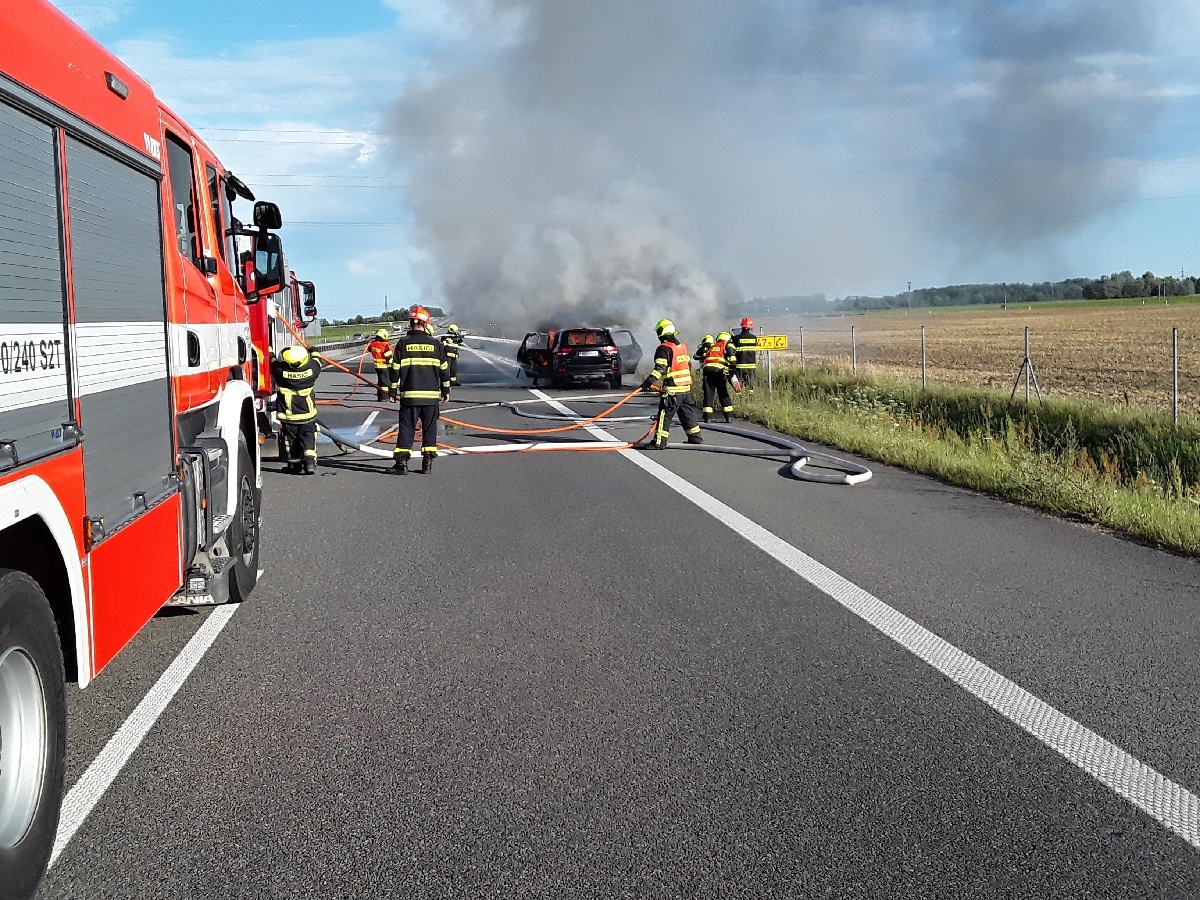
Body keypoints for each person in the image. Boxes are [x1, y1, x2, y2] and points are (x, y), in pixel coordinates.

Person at [390, 306, 450, 474]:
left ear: (410, 322)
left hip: (409, 397)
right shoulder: (435, 345)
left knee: (407, 428)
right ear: (426, 324)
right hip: (431, 398)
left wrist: (392, 392)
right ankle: (427, 463)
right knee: (430, 429)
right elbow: (444, 369)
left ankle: (402, 464)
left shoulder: (403, 343)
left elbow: (394, 369)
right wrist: (446, 391)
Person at [641, 319, 703, 449]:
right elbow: (688, 365)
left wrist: (647, 383)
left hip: (673, 390)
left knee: (664, 416)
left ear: (661, 332)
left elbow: (660, 369)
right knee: (687, 414)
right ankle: (695, 437)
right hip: (685, 389)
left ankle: (659, 442)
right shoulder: (682, 347)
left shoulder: (664, 349)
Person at [271, 344, 322, 475]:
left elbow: (272, 362)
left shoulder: (280, 372)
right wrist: (313, 350)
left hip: (289, 416)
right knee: (308, 437)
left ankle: (294, 466)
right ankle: (310, 463)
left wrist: (270, 351)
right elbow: (317, 360)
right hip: (307, 415)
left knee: (291, 441)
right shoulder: (312, 370)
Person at [702, 331, 734, 423]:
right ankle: (728, 417)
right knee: (722, 392)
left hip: (707, 372)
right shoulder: (726, 344)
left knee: (708, 395)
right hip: (719, 372)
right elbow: (732, 359)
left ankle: (707, 418)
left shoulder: (712, 347)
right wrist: (732, 369)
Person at [730, 316, 759, 391]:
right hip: (751, 366)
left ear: (741, 326)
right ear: (750, 327)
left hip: (740, 365)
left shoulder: (736, 338)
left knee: (740, 384)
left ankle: (740, 397)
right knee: (750, 384)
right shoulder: (754, 338)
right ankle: (750, 398)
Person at [366, 328, 394, 401]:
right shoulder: (385, 345)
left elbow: (369, 349)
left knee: (380, 381)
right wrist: (393, 366)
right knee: (385, 383)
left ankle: (379, 396)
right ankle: (384, 397)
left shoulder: (373, 344)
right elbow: (388, 356)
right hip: (384, 366)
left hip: (377, 367)